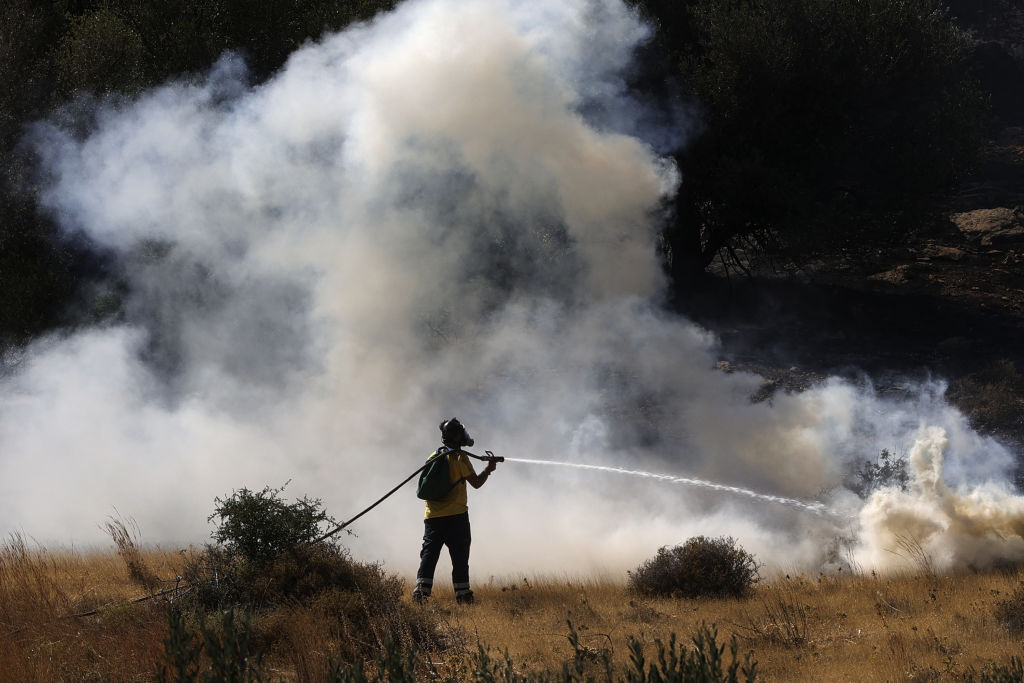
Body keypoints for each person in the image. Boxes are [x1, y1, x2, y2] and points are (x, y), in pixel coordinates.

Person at [413, 417, 497, 604]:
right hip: (456, 517)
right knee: (460, 558)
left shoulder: (433, 455)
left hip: (432, 518)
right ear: (457, 435)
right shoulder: (460, 458)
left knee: (429, 555)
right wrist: (488, 469)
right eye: (461, 432)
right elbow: (476, 483)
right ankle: (463, 596)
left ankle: (420, 594)